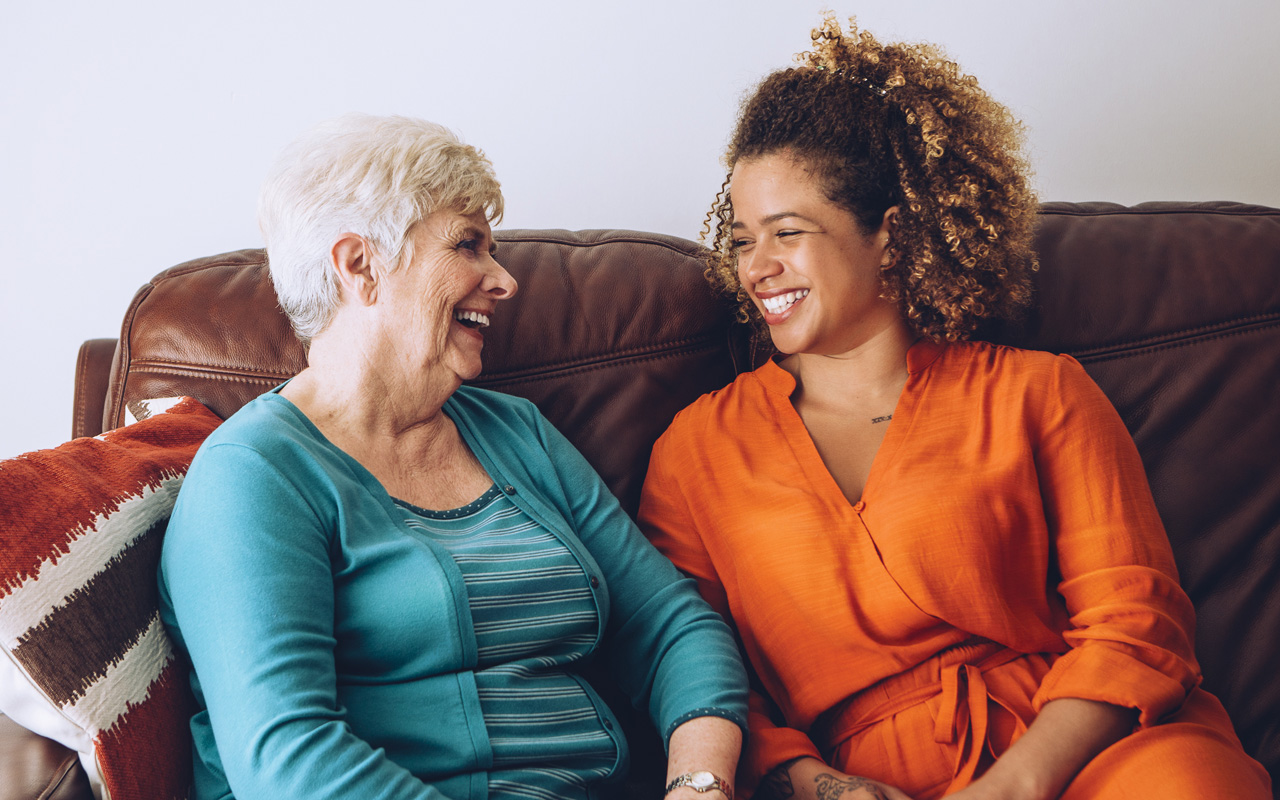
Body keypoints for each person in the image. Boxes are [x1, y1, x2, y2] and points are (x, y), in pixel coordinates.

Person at [637, 17, 1271, 800]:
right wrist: (821, 784)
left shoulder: (1037, 391)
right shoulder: (696, 451)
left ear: (889, 237)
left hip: (1073, 755)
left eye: (787, 234)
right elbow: (702, 673)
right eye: (740, 241)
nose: (758, 268)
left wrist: (1014, 787)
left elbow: (1135, 620)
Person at [159, 114, 747, 800]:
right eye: (468, 245)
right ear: (360, 265)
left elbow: (669, 623)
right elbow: (285, 756)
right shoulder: (255, 474)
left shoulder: (513, 431)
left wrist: (698, 785)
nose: (504, 280)